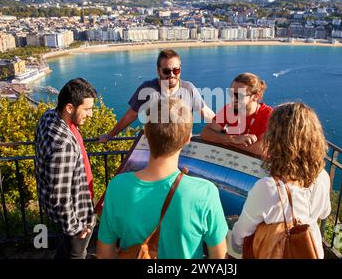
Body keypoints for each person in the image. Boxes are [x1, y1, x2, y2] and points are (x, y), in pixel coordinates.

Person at [97, 98, 228, 259]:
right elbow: (219, 256)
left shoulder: (118, 187)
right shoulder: (205, 193)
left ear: (145, 134)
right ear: (188, 138)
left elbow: (104, 253)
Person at [231, 102, 331, 259]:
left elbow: (240, 236)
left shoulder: (268, 187)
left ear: (276, 139)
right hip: (311, 250)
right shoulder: (323, 176)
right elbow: (325, 212)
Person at [35, 78, 97, 259]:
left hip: (69, 209)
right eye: (87, 109)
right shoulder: (63, 145)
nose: (91, 114)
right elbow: (60, 196)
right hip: (77, 211)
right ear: (69, 108)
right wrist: (75, 227)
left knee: (67, 250)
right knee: (77, 254)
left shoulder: (48, 117)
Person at [99, 49, 214, 142]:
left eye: (176, 70)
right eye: (166, 71)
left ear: (180, 69)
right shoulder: (147, 89)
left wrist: (225, 130)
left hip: (182, 149)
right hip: (156, 152)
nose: (172, 75)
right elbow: (130, 116)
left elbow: (206, 113)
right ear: (158, 71)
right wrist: (109, 136)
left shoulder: (189, 89)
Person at [200, 73, 273, 155]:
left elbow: (262, 149)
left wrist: (229, 142)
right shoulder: (229, 109)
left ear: (256, 96)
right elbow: (205, 133)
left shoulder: (269, 115)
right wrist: (232, 139)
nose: (233, 99)